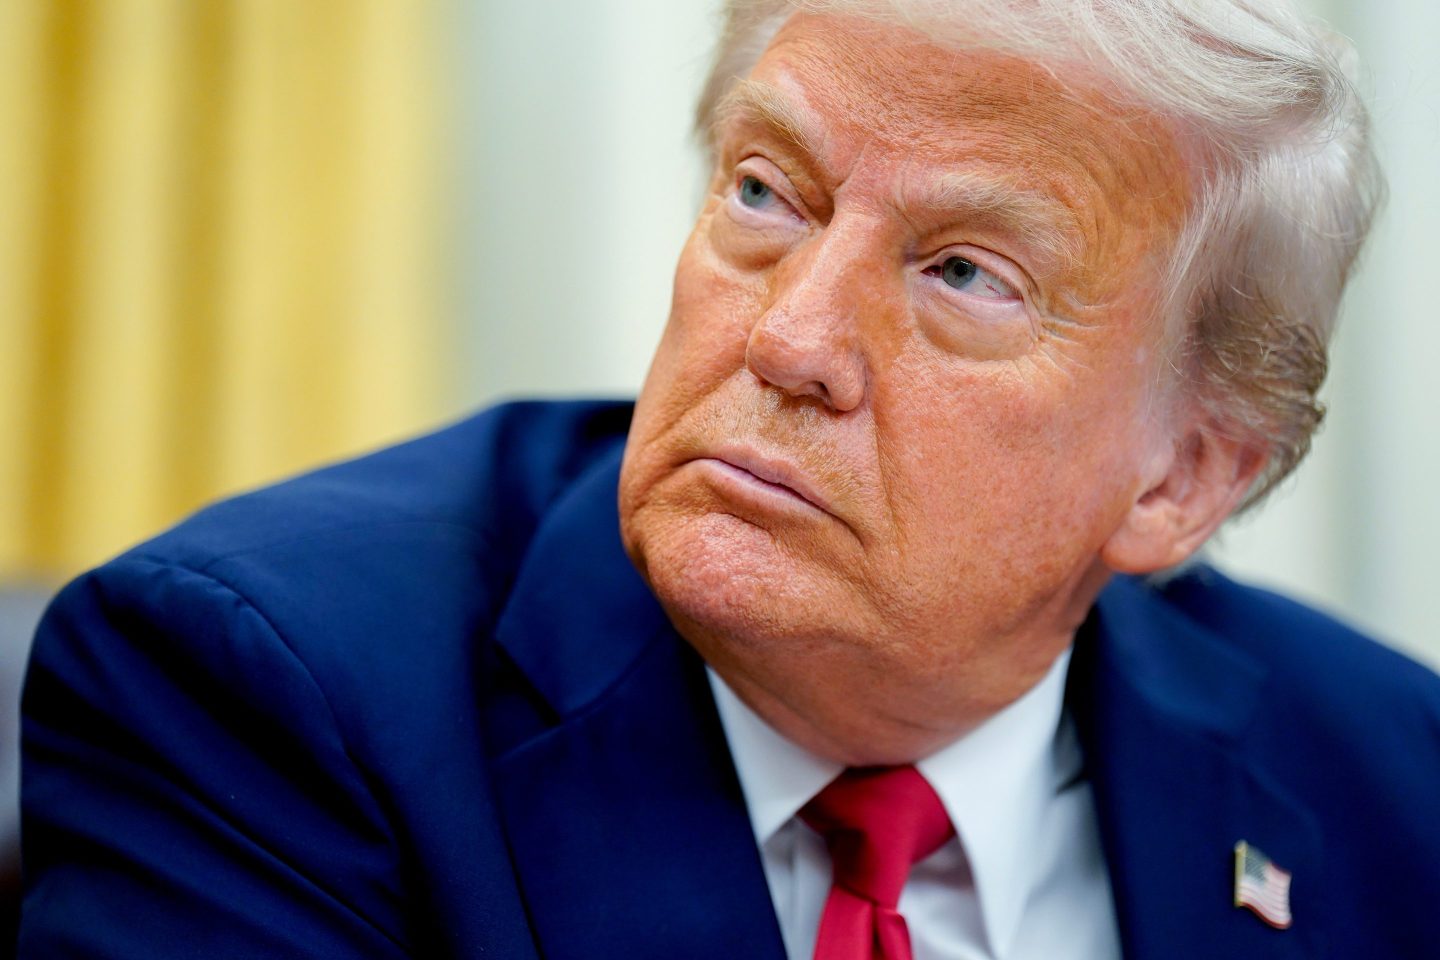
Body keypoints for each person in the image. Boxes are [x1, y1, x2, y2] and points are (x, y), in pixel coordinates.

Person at [18, 1, 1440, 958]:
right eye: (768, 193)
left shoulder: (1392, 785)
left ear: (1182, 480)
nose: (790, 336)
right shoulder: (256, 697)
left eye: (963, 275)